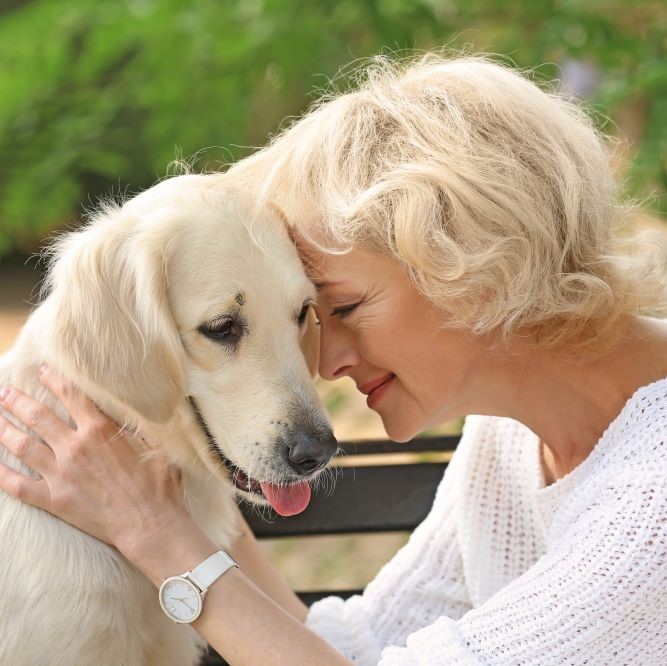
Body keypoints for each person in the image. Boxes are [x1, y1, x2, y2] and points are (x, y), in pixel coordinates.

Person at [1, 53, 667, 665]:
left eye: (339, 310)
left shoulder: (651, 505)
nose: (324, 360)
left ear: (476, 270)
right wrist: (190, 472)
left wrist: (155, 534)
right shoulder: (514, 436)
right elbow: (364, 646)